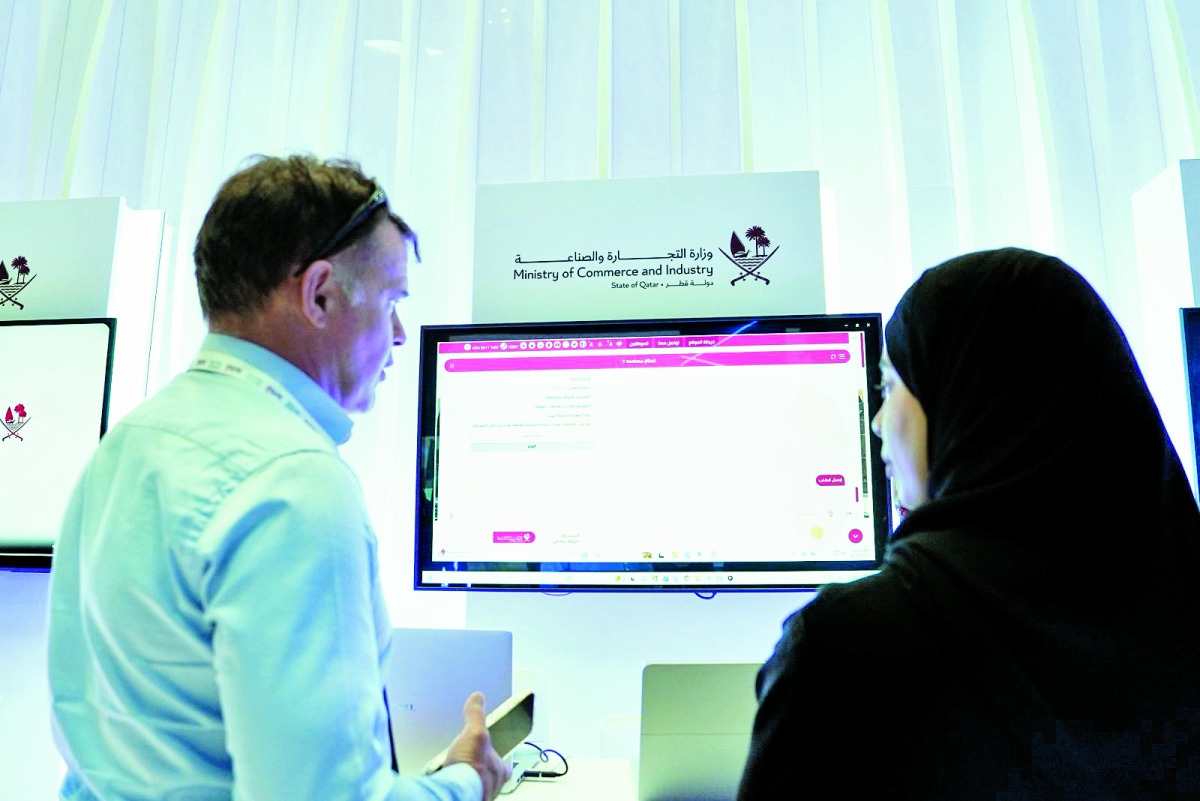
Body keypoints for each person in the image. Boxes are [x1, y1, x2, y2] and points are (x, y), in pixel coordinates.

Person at [46, 154, 511, 800]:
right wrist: (465, 782)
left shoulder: (126, 445)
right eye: (392, 301)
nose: (401, 333)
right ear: (319, 294)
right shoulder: (296, 482)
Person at [736, 247, 1200, 799]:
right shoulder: (1183, 614)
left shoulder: (843, 649)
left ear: (961, 397)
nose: (879, 423)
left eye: (888, 387)